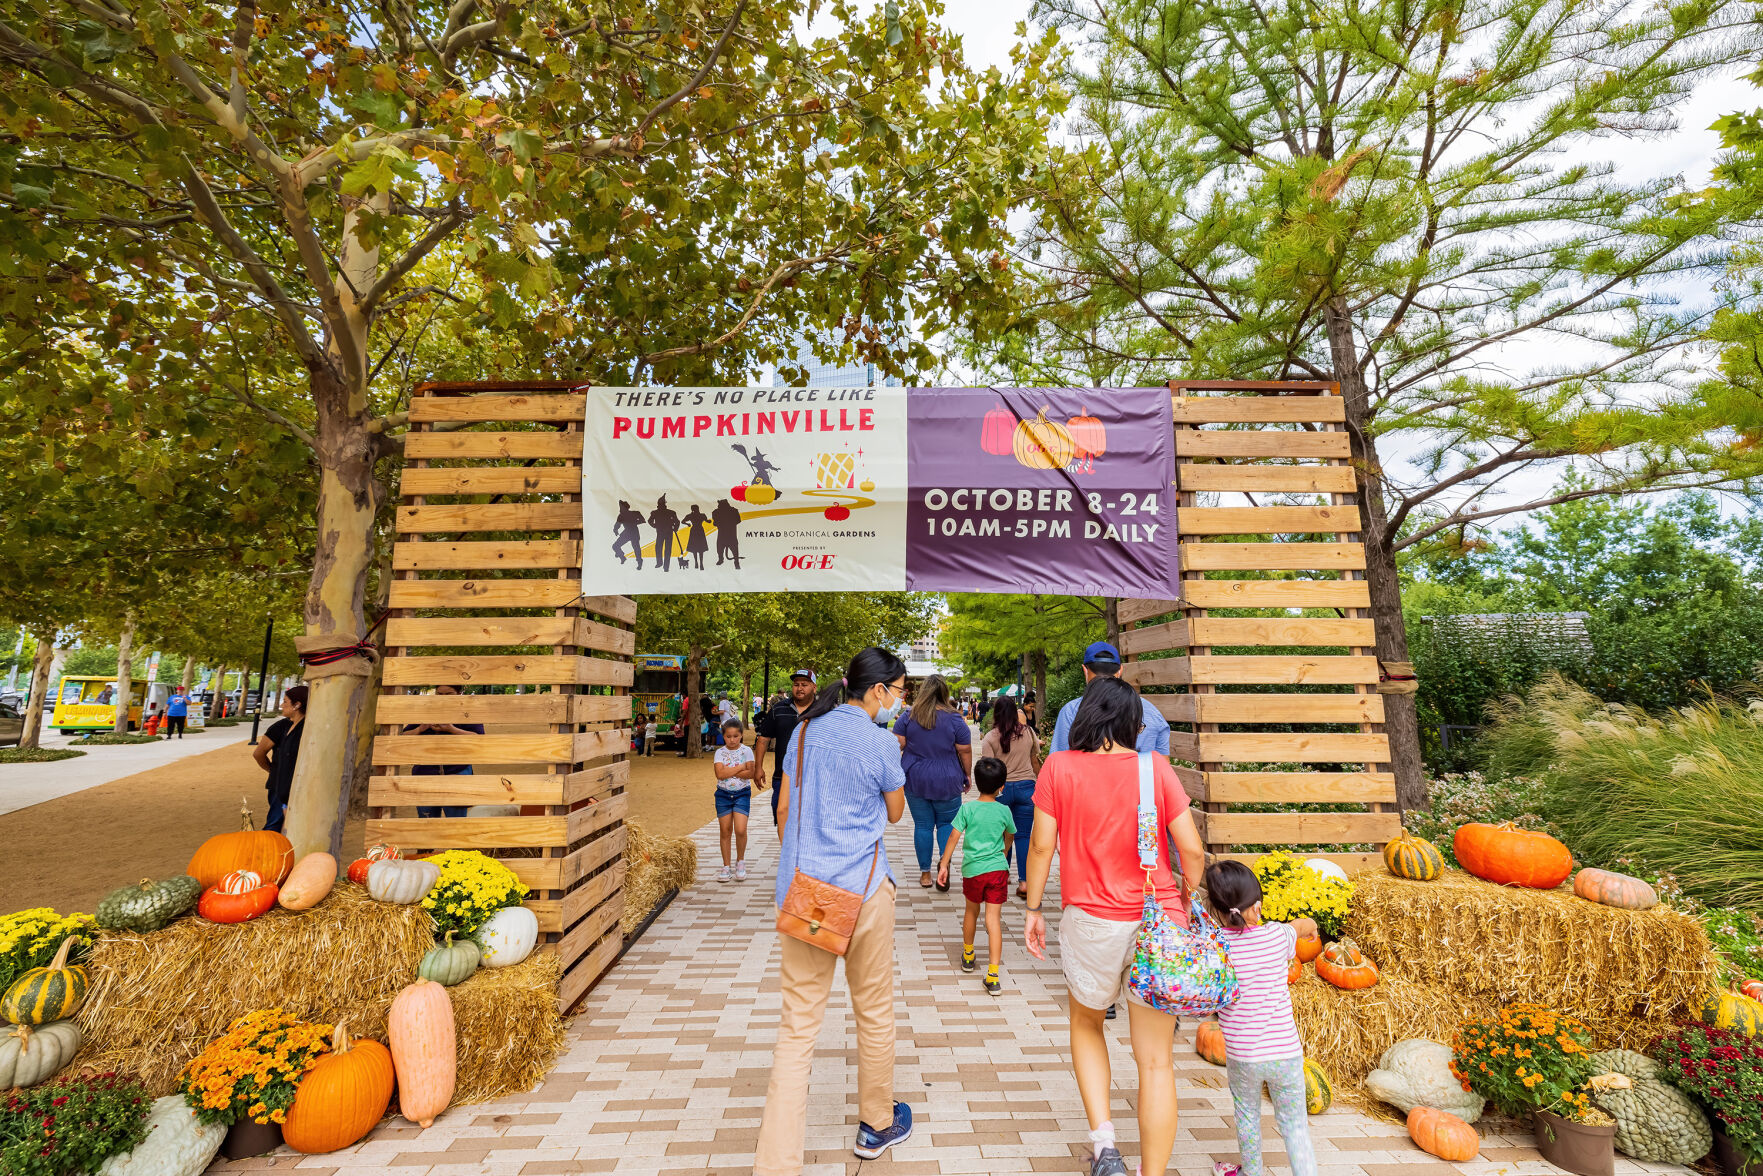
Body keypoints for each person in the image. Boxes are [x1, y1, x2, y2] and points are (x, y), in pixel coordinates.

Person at [1022, 675, 1208, 1176]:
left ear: (1084, 717)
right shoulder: (1157, 769)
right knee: (1156, 1062)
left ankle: (1105, 1145)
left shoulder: (1058, 767)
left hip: (1091, 920)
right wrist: (1189, 901)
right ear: (1133, 722)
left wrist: (1034, 908)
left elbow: (1041, 846)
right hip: (1159, 923)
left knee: (1086, 1023)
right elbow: (1191, 849)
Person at [755, 648, 912, 1173]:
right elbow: (894, 814)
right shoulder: (880, 741)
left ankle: (776, 1162)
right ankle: (876, 1122)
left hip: (807, 893)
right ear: (878, 691)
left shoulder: (803, 732)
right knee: (874, 1008)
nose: (902, 698)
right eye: (900, 689)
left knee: (797, 1026)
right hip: (864, 889)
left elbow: (784, 808)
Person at [1204, 861, 1320, 1176]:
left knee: (1247, 1118)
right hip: (1285, 1053)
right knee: (1295, 1125)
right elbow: (1302, 926)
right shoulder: (1277, 936)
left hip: (1244, 1057)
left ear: (1217, 910)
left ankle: (1250, 1173)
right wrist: (1310, 926)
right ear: (1257, 907)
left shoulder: (1218, 947)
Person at [935, 756, 1014, 995]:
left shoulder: (967, 808)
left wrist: (944, 864)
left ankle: (968, 955)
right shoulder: (1004, 810)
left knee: (971, 910)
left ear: (977, 783)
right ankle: (993, 974)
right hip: (998, 870)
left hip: (973, 870)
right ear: (1002, 786)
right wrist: (1004, 850)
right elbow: (1010, 834)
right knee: (993, 919)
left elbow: (953, 836)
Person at [892, 674, 972, 890]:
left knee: (923, 825)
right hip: (947, 777)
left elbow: (897, 743)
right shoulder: (955, 718)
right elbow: (964, 749)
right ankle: (943, 866)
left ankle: (925, 874)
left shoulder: (908, 716)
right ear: (944, 692)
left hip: (916, 777)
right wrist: (967, 774)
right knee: (946, 824)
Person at [1050, 641, 1172, 756]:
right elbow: (1163, 765)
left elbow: (1057, 764)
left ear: (1085, 671)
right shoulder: (1152, 712)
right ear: (1120, 670)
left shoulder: (1071, 711)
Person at [978, 695, 1042, 898]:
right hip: (1026, 788)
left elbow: (987, 768)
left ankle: (1002, 875)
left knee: (1001, 836)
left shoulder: (990, 737)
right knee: (1023, 836)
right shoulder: (1029, 732)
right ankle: (1024, 882)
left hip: (1001, 790)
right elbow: (1035, 761)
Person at [403, 684, 483, 817]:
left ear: (459, 693)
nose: (443, 698)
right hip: (425, 774)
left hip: (457, 773)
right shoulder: (426, 710)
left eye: (449, 694)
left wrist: (451, 729)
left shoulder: (468, 712)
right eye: (440, 694)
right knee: (427, 824)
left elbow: (479, 739)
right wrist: (420, 729)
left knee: (456, 825)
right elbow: (403, 736)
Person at [755, 670, 816, 827]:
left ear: (814, 687)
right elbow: (763, 739)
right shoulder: (778, 709)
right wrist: (758, 768)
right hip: (782, 777)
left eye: (804, 684)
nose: (799, 688)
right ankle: (787, 851)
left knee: (810, 823)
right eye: (796, 684)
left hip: (814, 779)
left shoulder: (823, 711)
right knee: (782, 818)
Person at [253, 685, 308, 833]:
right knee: (275, 823)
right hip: (280, 784)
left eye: (285, 701)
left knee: (278, 825)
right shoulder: (282, 726)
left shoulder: (305, 728)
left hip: (293, 786)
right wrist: (273, 771)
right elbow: (258, 753)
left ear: (297, 705)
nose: (281, 705)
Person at [712, 719, 757, 882]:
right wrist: (740, 767)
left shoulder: (747, 751)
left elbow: (751, 773)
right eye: (728, 736)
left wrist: (729, 771)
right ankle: (726, 866)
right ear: (723, 736)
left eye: (736, 736)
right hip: (723, 794)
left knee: (740, 829)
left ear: (741, 735)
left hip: (742, 794)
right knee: (725, 831)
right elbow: (720, 774)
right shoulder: (719, 753)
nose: (732, 740)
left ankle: (740, 861)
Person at [681, 503, 710, 570]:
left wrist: (688, 524)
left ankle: (696, 563)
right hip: (700, 530)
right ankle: (701, 564)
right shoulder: (702, 515)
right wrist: (709, 521)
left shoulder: (690, 515)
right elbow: (707, 521)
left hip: (694, 530)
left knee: (694, 548)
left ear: (692, 509)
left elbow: (682, 521)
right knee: (701, 548)